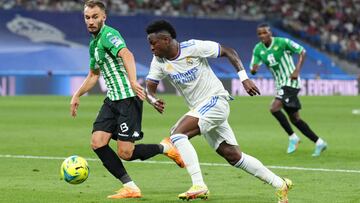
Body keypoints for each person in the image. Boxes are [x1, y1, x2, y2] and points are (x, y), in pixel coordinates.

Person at [144, 19, 292, 203]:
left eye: (153, 43)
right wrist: (152, 100)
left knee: (177, 134)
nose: (150, 47)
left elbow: (229, 51)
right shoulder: (158, 61)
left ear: (166, 40)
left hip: (216, 100)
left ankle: (199, 185)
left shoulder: (193, 47)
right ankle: (280, 184)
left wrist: (244, 78)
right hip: (200, 109)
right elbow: (149, 88)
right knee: (233, 156)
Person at [70, 1, 184, 199]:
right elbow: (93, 75)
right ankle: (130, 187)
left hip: (128, 99)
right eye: (87, 17)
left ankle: (165, 147)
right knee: (97, 142)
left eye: (95, 16)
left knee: (126, 153)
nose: (91, 21)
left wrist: (132, 81)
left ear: (103, 17)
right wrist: (77, 94)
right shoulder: (93, 44)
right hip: (112, 100)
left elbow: (127, 54)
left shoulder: (109, 35)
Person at [250, 23, 327, 156]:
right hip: (280, 84)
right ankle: (319, 142)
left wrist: (297, 70)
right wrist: (254, 69)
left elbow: (302, 51)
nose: (262, 35)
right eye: (259, 33)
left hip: (291, 82)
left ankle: (293, 137)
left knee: (274, 108)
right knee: (295, 119)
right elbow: (253, 67)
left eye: (264, 32)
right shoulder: (258, 49)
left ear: (270, 33)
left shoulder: (282, 42)